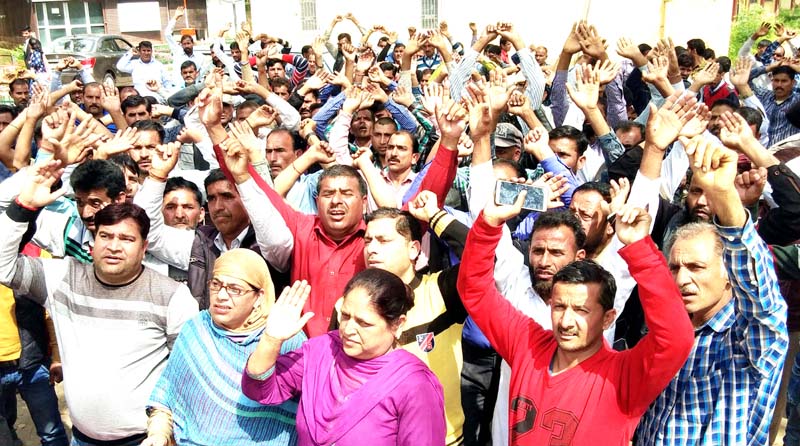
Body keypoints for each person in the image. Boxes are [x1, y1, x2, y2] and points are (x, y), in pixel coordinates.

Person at [457, 193, 694, 443]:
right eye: (559, 307)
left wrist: (640, 248)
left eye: (581, 310)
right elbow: (475, 291)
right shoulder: (527, 345)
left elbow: (676, 337)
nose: (566, 321)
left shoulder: (623, 378)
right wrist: (488, 224)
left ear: (608, 318)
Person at [0, 162, 198, 445]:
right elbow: (3, 267)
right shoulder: (61, 277)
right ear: (93, 242)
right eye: (105, 236)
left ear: (144, 247)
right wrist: (22, 207)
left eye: (127, 238)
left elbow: (183, 374)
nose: (114, 246)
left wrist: (165, 430)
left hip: (146, 439)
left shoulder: (173, 296)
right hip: (81, 439)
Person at [635, 137, 788, 445]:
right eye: (676, 269)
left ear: (731, 274)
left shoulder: (751, 342)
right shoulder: (667, 335)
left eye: (697, 267)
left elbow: (761, 298)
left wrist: (724, 196)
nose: (682, 280)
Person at [242, 270, 446, 445]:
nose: (348, 329)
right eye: (345, 316)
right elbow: (259, 390)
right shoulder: (322, 351)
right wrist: (271, 339)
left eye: (363, 323)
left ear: (398, 325)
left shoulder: (414, 384)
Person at [143, 249, 305, 446]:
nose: (221, 295)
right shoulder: (197, 329)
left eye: (234, 289)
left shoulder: (285, 339)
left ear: (259, 296)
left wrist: (271, 341)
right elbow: (166, 396)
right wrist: (158, 434)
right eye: (216, 284)